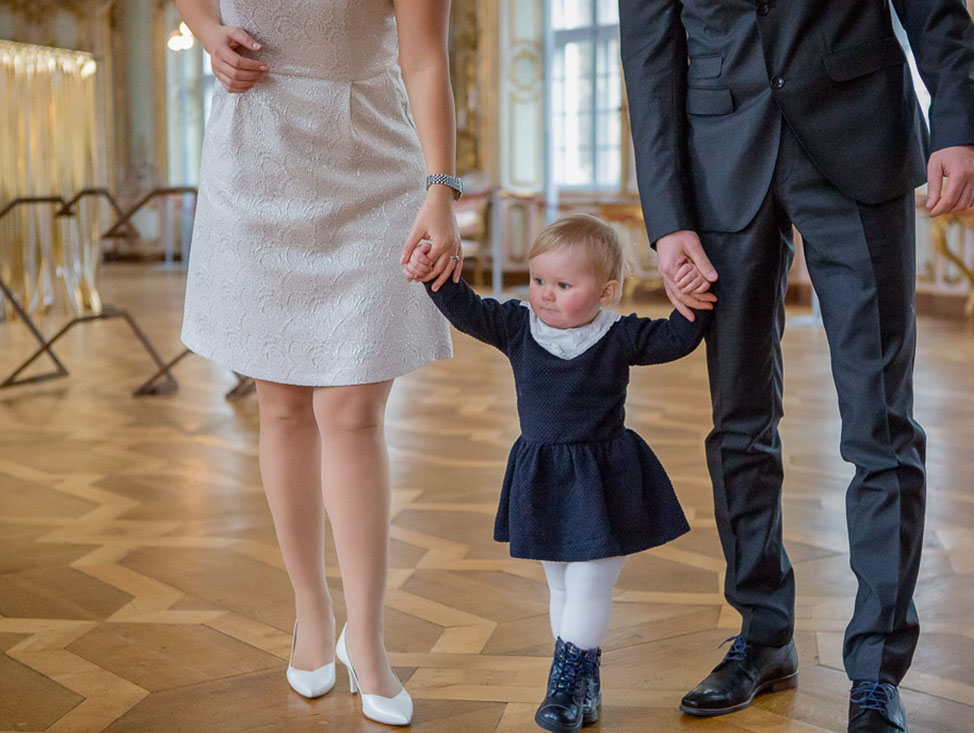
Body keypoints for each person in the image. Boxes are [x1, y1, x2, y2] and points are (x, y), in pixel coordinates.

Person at [617, 1, 974, 731]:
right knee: (739, 421)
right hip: (719, 159)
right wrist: (667, 220)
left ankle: (878, 669)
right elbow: (649, 56)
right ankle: (762, 633)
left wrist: (958, 120)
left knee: (881, 421)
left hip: (859, 132)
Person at [176, 0, 463, 725]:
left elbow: (425, 56)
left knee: (353, 411)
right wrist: (210, 35)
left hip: (370, 163)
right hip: (257, 158)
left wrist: (441, 191)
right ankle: (312, 610)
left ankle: (365, 635)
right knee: (280, 406)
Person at [406, 214, 709, 732]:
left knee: (592, 580)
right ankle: (583, 685)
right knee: (563, 587)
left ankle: (564, 682)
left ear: (607, 291)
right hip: (542, 478)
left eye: (564, 285)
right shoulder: (518, 326)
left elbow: (676, 339)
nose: (545, 294)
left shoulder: (618, 335)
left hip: (604, 479)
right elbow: (465, 310)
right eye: (539, 280)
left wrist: (691, 298)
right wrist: (434, 270)